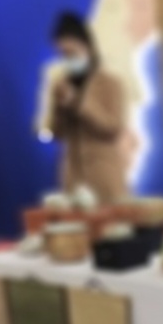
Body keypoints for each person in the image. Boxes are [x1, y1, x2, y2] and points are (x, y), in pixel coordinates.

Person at [45, 11, 127, 204]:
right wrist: (59, 107)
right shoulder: (61, 84)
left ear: (88, 47)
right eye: (63, 55)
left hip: (104, 178)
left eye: (72, 53)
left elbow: (113, 128)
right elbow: (57, 133)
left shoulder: (110, 83)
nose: (68, 59)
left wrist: (79, 103)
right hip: (73, 180)